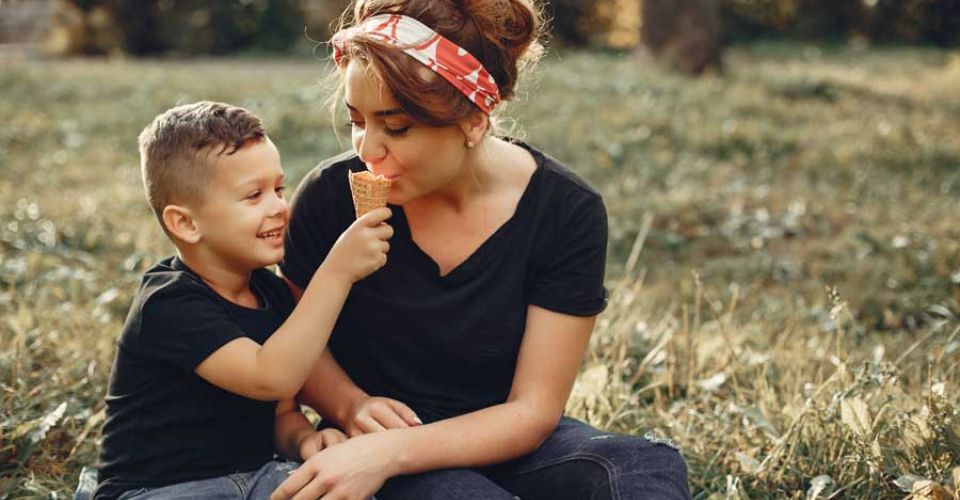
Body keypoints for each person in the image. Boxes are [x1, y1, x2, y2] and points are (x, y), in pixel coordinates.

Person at [274, 1, 692, 499]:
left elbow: (534, 412)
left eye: (397, 126)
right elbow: (298, 340)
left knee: (643, 467)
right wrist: (350, 407)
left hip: (499, 439)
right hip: (376, 439)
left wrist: (392, 453)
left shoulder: (565, 210)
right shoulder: (329, 197)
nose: (368, 148)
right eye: (358, 120)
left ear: (473, 119)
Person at [93, 101, 393, 499]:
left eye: (279, 189)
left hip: (254, 479)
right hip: (158, 489)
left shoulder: (270, 293)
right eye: (254, 196)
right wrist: (336, 272)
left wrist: (304, 441)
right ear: (185, 222)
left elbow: (282, 412)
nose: (279, 207)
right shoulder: (169, 304)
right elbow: (270, 377)